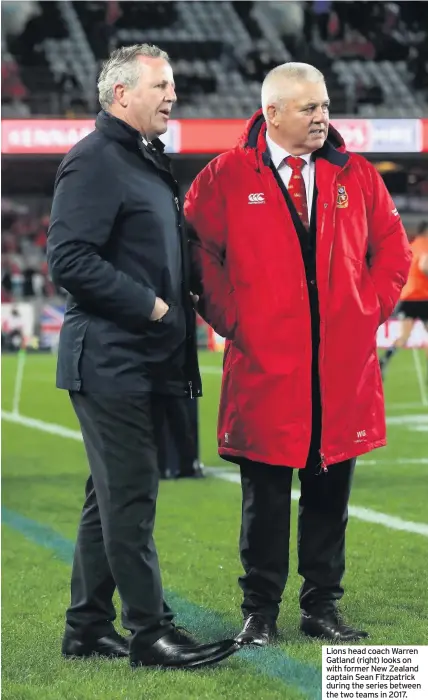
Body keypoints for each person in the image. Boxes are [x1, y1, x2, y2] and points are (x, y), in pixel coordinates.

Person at [184, 62, 411, 645]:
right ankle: (259, 610)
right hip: (266, 366)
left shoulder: (356, 174)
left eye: (326, 106)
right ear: (273, 112)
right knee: (263, 499)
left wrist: (368, 309)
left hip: (339, 371)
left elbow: (392, 250)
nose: (322, 117)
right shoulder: (225, 176)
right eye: (309, 108)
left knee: (329, 494)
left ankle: (321, 608)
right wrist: (232, 318)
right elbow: (197, 254)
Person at [46, 44, 238, 670]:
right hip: (110, 357)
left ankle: (86, 627)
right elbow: (69, 260)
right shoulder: (95, 160)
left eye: (172, 84)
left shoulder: (140, 159)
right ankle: (151, 631)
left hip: (140, 357)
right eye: (161, 85)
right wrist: (153, 307)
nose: (172, 95)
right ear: (122, 94)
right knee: (130, 497)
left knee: (109, 499)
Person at [379, 221, 428, 380]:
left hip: (409, 298)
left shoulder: (412, 246)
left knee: (404, 336)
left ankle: (385, 359)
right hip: (423, 298)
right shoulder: (425, 245)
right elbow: (424, 265)